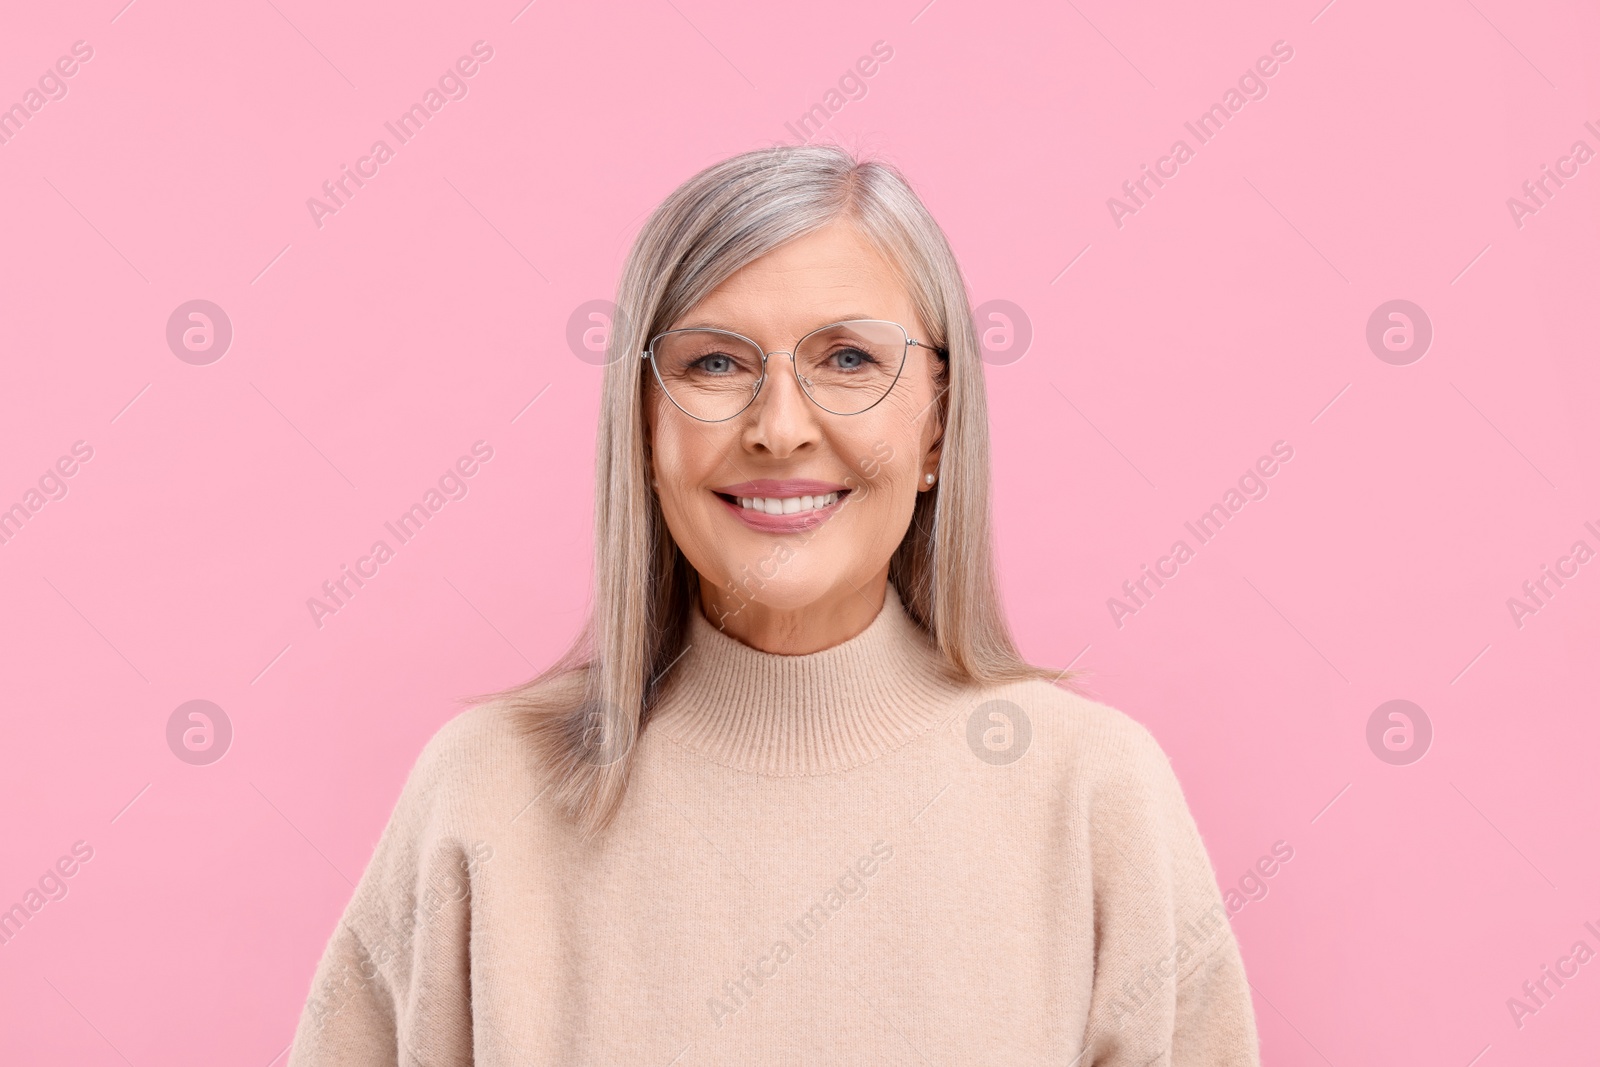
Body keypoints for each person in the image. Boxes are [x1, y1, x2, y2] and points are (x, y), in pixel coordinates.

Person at [286, 143, 1261, 1065]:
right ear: (644, 425)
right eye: (716, 361)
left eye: (847, 359)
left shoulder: (1093, 795)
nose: (779, 428)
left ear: (937, 427)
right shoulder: (486, 792)